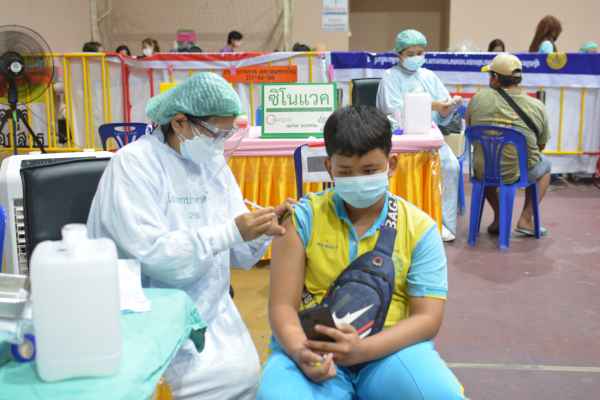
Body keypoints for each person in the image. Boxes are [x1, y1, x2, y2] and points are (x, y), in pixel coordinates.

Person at [87, 72, 291, 399]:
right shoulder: (134, 164)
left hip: (211, 309)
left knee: (246, 377)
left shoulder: (211, 163)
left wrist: (261, 230)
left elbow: (239, 255)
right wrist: (230, 232)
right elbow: (154, 254)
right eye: (215, 133)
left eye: (228, 133)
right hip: (147, 315)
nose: (220, 143)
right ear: (180, 122)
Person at [257, 105, 465, 400]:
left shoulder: (420, 228)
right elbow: (282, 307)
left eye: (369, 171)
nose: (357, 179)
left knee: (441, 395)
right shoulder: (301, 219)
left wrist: (363, 350)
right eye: (345, 171)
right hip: (312, 346)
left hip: (389, 350)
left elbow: (427, 319)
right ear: (329, 167)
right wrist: (301, 351)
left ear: (392, 164)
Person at [376, 29, 461, 242]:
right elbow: (393, 110)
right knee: (404, 168)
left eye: (420, 53)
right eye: (410, 53)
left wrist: (447, 109)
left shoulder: (429, 76)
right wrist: (433, 105)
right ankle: (403, 222)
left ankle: (442, 223)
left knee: (450, 166)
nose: (416, 57)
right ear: (399, 54)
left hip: (429, 138)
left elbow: (442, 115)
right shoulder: (390, 77)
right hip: (400, 140)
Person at [466, 53, 551, 236]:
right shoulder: (537, 106)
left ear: (495, 78)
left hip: (483, 170)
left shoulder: (477, 99)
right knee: (545, 165)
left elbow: (470, 130)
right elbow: (540, 145)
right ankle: (525, 219)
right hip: (517, 172)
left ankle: (499, 217)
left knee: (488, 162)